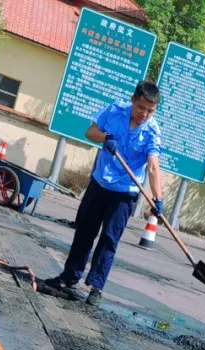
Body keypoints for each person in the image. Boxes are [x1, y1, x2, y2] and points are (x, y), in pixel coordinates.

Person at [40, 80, 165, 308]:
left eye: (150, 111)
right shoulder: (115, 110)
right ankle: (69, 277)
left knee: (109, 239)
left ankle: (97, 287)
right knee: (85, 231)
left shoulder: (152, 131)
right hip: (99, 183)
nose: (144, 114)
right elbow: (91, 131)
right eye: (141, 108)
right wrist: (106, 138)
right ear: (132, 100)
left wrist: (157, 198)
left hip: (124, 194)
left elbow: (154, 166)